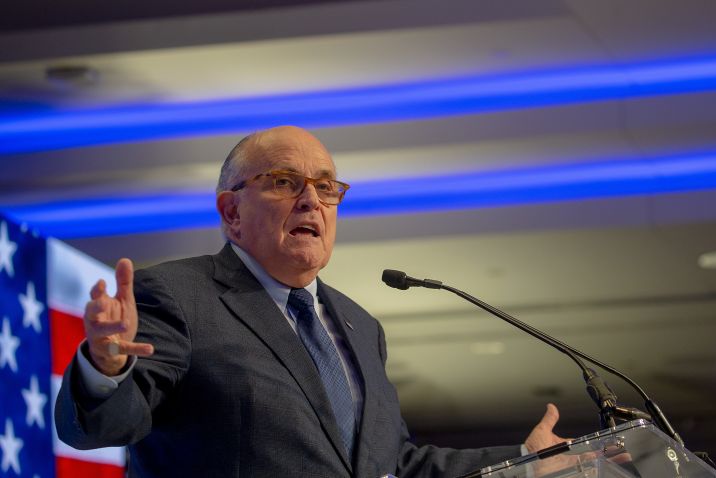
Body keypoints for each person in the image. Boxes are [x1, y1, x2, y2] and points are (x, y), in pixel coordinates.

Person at [55, 126, 566, 477]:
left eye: (326, 187)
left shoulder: (360, 327)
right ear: (231, 212)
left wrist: (526, 460)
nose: (311, 201)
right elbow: (102, 426)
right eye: (284, 182)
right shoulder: (179, 295)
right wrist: (107, 366)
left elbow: (393, 464)